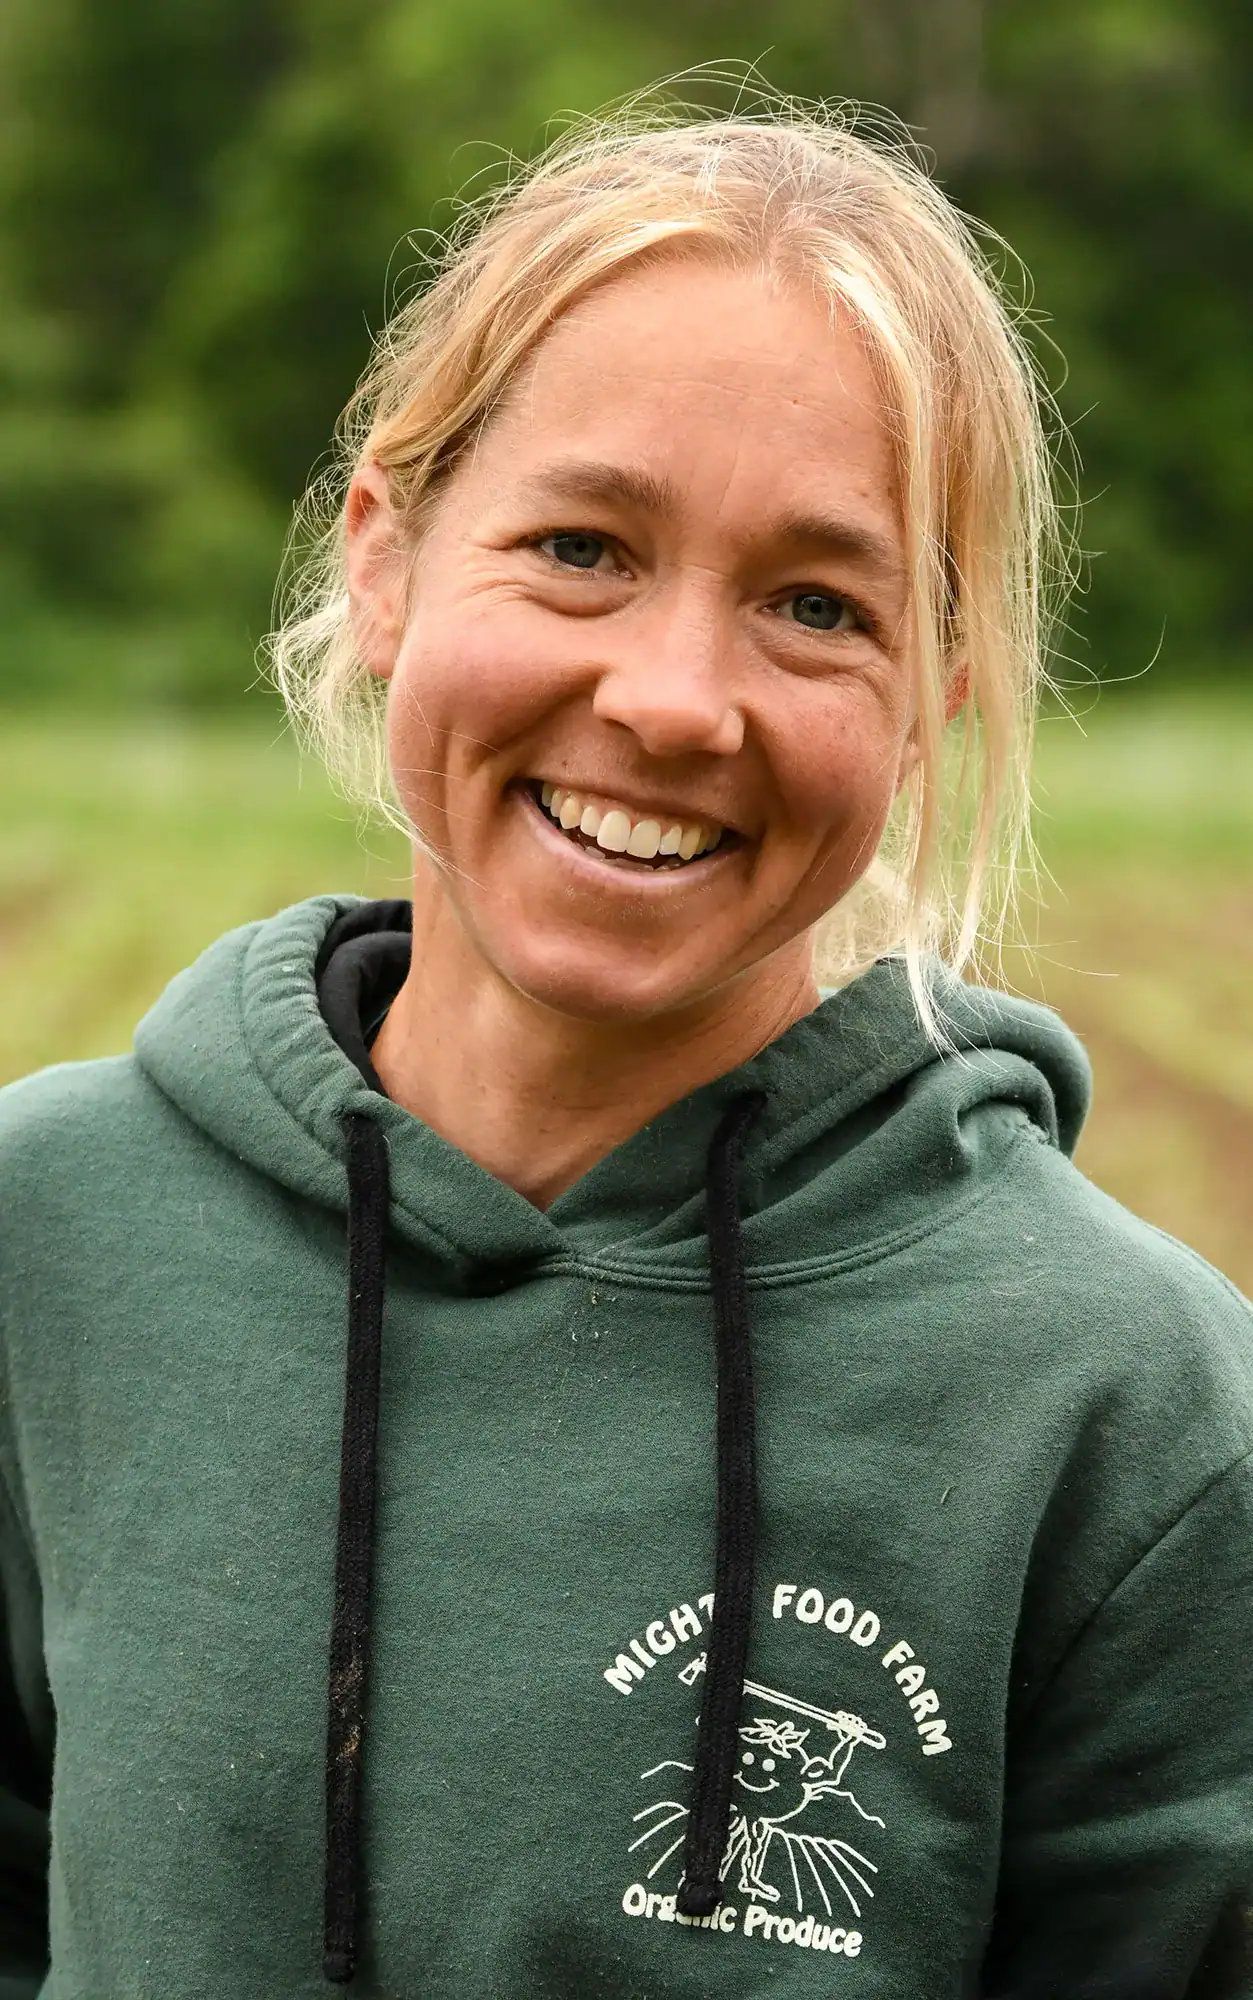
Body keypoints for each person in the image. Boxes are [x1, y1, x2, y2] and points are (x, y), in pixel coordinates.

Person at [0, 95, 1250, 2000]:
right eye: (582, 547)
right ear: (385, 559)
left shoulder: (1133, 1414)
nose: (673, 701)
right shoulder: (50, 1239)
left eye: (815, 607)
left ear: (935, 688)